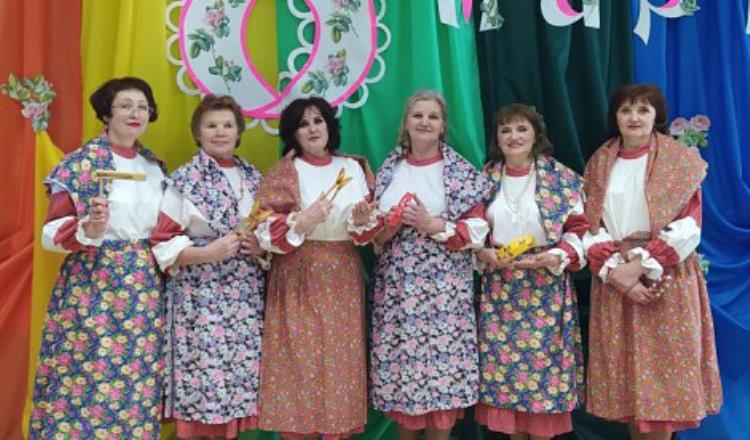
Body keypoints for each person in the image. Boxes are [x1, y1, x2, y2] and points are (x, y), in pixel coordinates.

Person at [583, 83, 722, 440]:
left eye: (643, 110)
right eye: (626, 110)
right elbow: (588, 223)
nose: (634, 117)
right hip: (616, 279)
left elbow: (690, 224)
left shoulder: (679, 162)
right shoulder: (600, 162)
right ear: (615, 117)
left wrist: (641, 265)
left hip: (665, 280)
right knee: (630, 384)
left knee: (664, 383)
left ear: (656, 116)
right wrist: (617, 272)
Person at [29, 77, 167, 439]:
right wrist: (88, 228)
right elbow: (50, 233)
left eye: (142, 106)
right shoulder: (80, 165)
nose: (135, 113)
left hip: (143, 289)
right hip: (92, 286)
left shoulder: (154, 167)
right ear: (106, 113)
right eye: (125, 105)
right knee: (84, 375)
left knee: (136, 382)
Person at [368, 90, 492, 440]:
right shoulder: (390, 168)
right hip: (397, 291)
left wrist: (432, 224)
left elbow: (477, 229)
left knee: (441, 377)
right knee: (402, 374)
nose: (424, 122)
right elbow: (374, 234)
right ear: (406, 123)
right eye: (417, 115)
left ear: (443, 126)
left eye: (432, 116)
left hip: (443, 291)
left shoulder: (458, 171)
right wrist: (386, 228)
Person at [254, 96, 377, 439]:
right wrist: (301, 221)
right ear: (292, 133)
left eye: (318, 120)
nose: (312, 129)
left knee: (339, 363)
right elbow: (263, 229)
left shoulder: (352, 168)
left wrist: (362, 220)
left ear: (329, 125)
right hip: (298, 272)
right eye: (303, 124)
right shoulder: (285, 171)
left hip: (342, 274)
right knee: (300, 362)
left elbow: (368, 229)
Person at [149, 95, 266, 439]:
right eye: (211, 125)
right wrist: (208, 253)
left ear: (239, 132)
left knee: (237, 379)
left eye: (228, 125)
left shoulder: (254, 178)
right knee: (203, 380)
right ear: (198, 133)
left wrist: (259, 248)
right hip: (200, 296)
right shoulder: (185, 180)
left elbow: (267, 231)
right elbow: (162, 242)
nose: (220, 132)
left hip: (245, 295)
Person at [473, 104, 586, 440]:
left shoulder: (560, 179)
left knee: (542, 386)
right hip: (501, 291)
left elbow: (580, 228)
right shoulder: (484, 179)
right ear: (497, 138)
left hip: (545, 291)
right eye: (505, 130)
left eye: (521, 128)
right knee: (507, 383)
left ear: (536, 134)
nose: (513, 136)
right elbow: (473, 226)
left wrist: (556, 254)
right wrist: (482, 252)